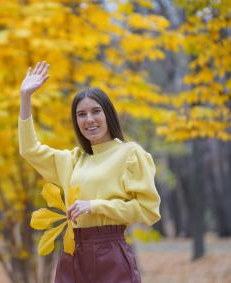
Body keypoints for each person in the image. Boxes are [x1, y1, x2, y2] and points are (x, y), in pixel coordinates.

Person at [18, 61, 161, 283]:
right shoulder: (73, 160)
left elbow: (148, 210)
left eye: (96, 111)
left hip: (111, 253)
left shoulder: (129, 154)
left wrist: (95, 206)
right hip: (73, 253)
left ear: (109, 115)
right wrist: (25, 98)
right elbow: (29, 150)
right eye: (81, 114)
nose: (89, 120)